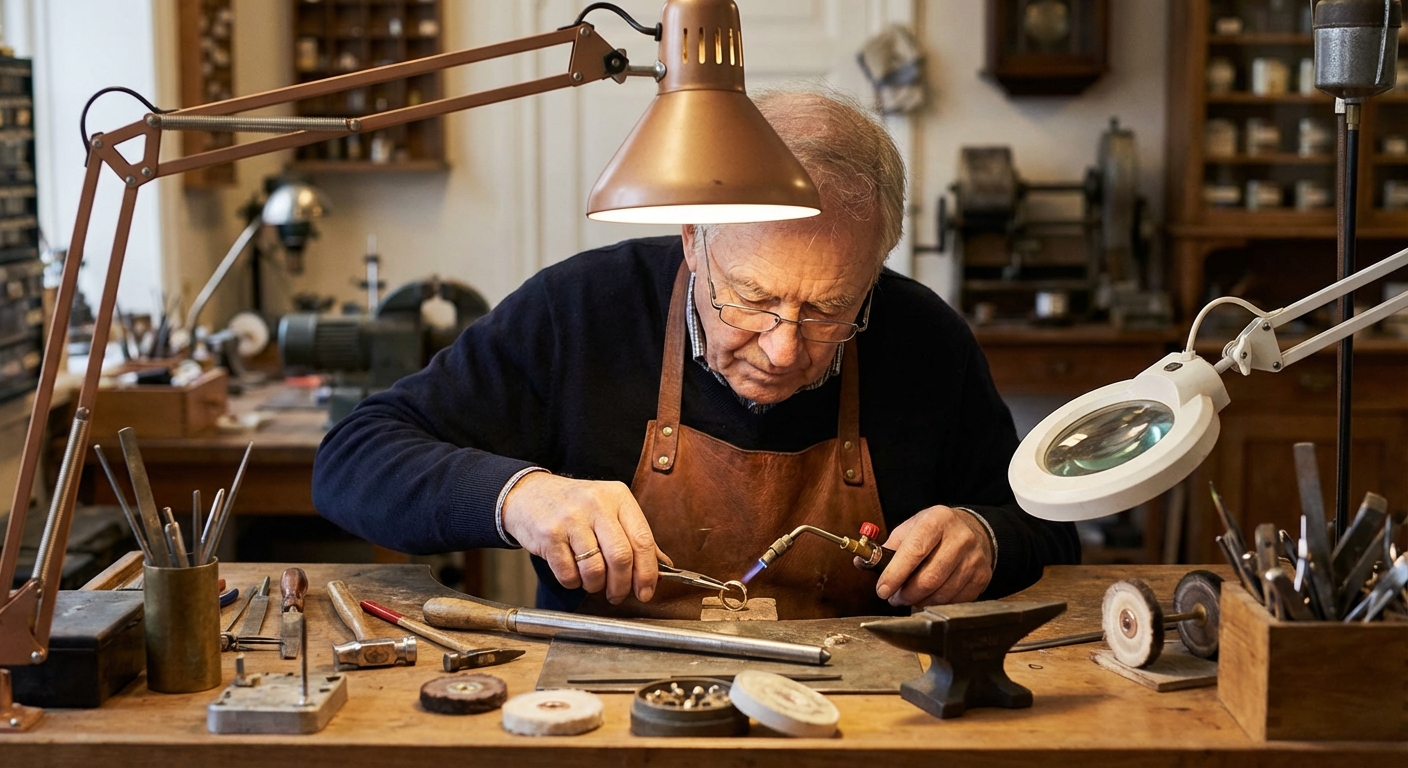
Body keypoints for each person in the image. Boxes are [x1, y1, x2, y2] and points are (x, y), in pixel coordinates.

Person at [313, 89, 1079, 619]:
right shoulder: (579, 312)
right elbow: (352, 460)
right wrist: (523, 498)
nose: (783, 349)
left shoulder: (926, 341)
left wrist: (985, 538)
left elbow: (1049, 529)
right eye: (749, 299)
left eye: (828, 310)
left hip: (856, 719)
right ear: (694, 237)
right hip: (607, 716)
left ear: (874, 269)